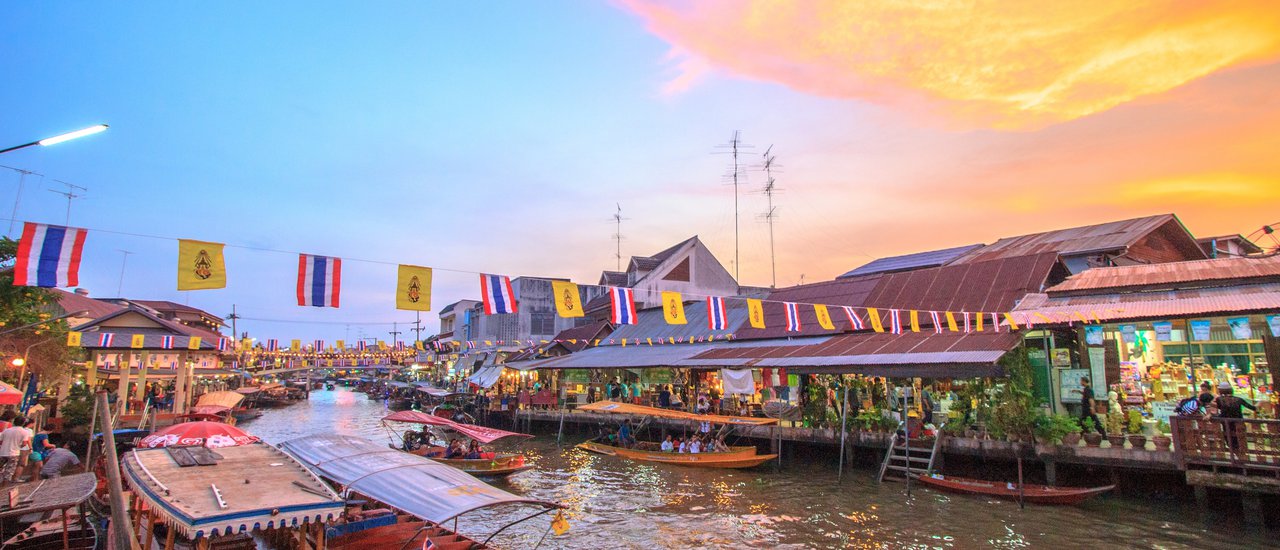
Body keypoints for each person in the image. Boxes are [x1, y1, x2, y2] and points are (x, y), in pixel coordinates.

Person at [1214, 382, 1258, 455]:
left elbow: (1217, 409)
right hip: (1239, 424)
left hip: (1227, 425)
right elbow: (1253, 408)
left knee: (1230, 441)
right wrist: (1259, 404)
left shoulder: (1219, 400)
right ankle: (1242, 457)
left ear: (1220, 391)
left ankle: (1237, 457)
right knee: (1240, 441)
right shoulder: (1239, 399)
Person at [0, 417, 30, 484]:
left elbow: (1, 441)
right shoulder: (25, 432)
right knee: (9, 471)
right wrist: (18, 446)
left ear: (14, 422)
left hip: (3, 452)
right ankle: (4, 486)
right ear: (23, 423)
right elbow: (24, 443)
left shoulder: (6, 430)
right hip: (14, 453)